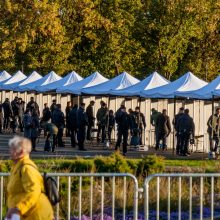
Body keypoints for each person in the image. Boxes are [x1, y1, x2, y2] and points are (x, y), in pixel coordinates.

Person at [6, 136, 54, 219]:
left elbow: (33, 191)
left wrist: (18, 208)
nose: (9, 151)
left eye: (12, 149)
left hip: (36, 214)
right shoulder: (18, 166)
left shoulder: (26, 168)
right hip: (28, 213)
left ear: (21, 151)